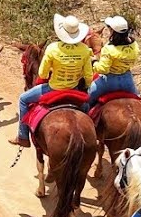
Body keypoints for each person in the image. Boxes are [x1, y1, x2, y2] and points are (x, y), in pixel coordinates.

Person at [9, 14, 94, 148]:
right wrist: (86, 87)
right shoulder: (84, 50)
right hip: (74, 89)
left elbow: (42, 73)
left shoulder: (53, 48)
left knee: (23, 99)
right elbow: (88, 75)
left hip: (53, 88)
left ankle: (23, 137)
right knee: (88, 107)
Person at [88, 15, 141, 107]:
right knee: (138, 99)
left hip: (108, 81)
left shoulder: (109, 49)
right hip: (127, 80)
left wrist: (94, 62)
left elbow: (103, 69)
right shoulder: (134, 45)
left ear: (112, 31)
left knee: (88, 98)